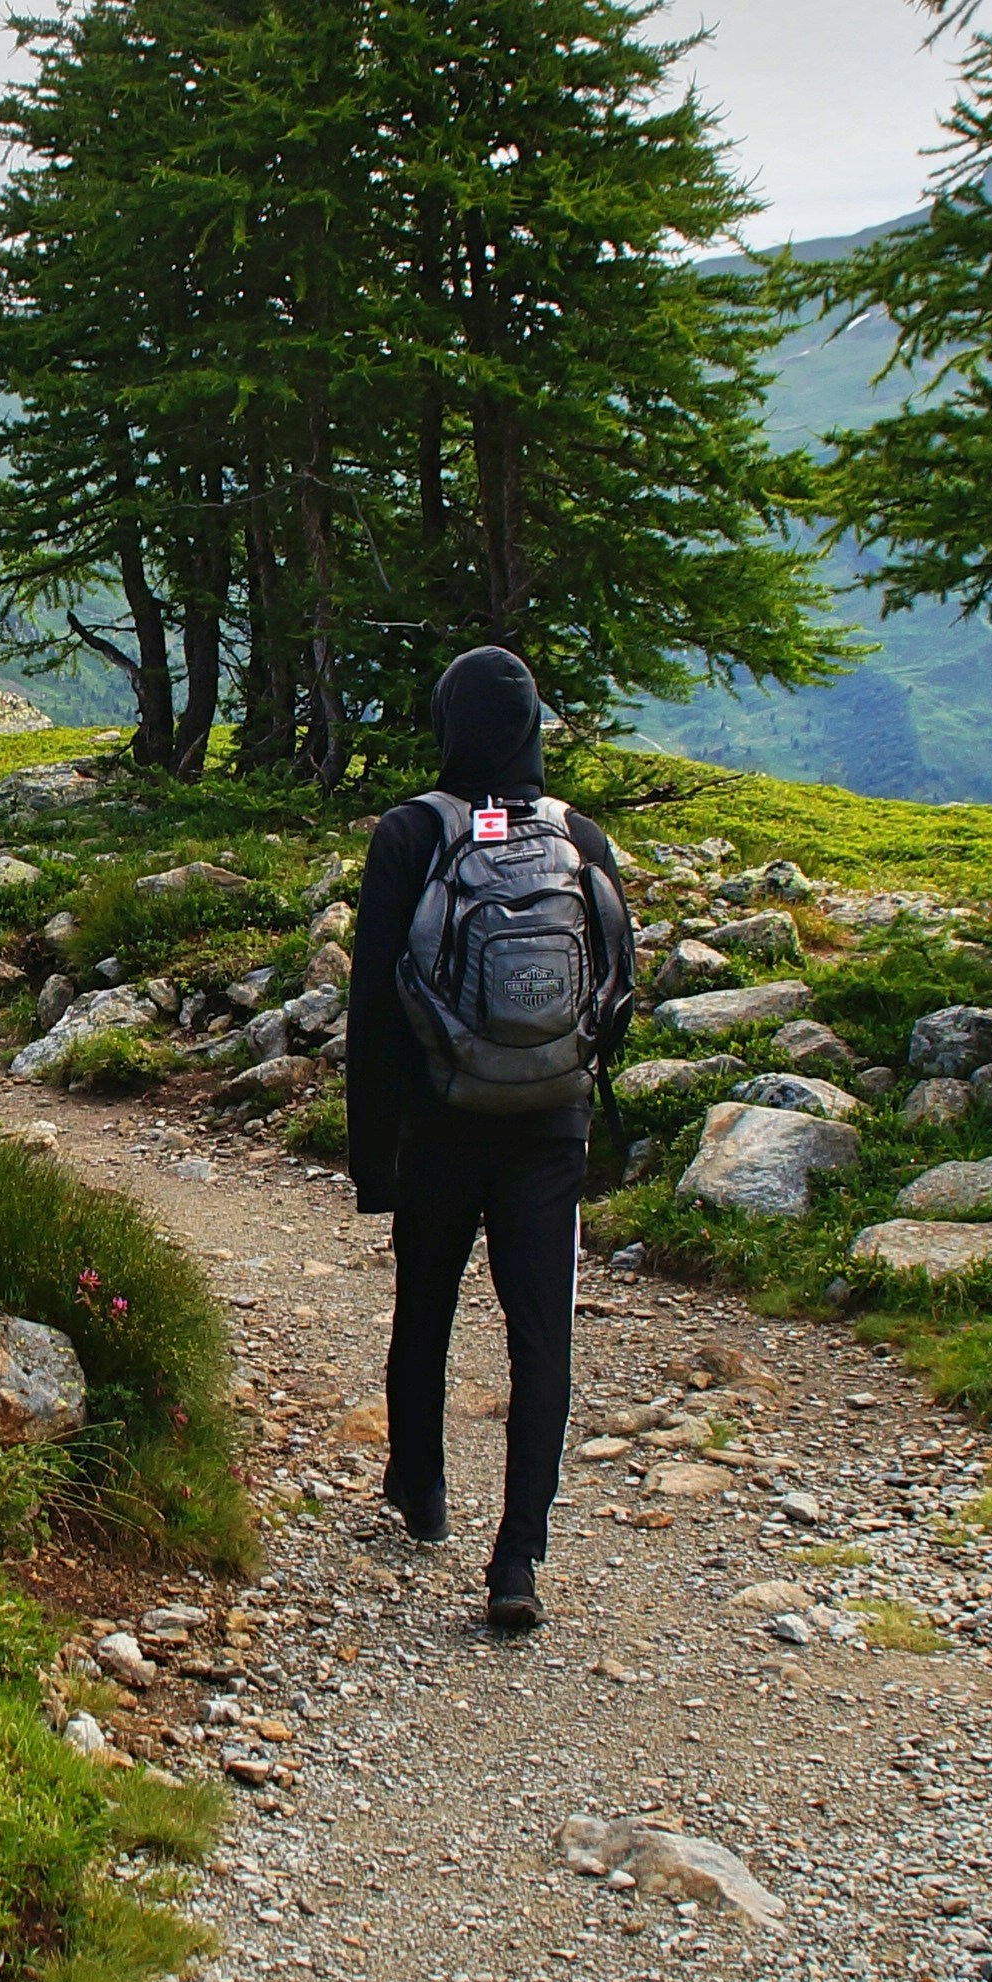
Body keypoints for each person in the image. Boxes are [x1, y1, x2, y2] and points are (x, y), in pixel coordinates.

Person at [343, 645, 631, 1631]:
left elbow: (375, 1011)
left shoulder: (412, 834)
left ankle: (420, 1491)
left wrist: (373, 1158)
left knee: (424, 1306)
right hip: (549, 1126)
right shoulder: (580, 836)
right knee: (538, 1335)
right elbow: (616, 985)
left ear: (448, 722)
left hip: (442, 1118)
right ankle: (517, 1561)